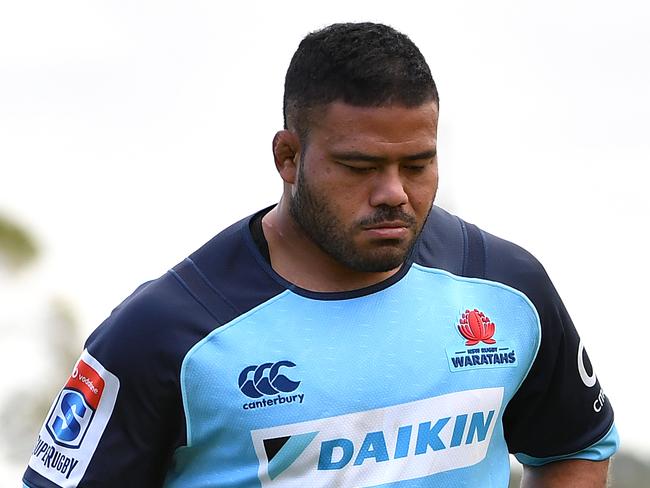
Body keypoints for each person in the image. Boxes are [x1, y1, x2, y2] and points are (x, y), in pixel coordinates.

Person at [23, 22, 618, 488]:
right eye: (359, 167)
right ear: (288, 157)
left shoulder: (506, 288)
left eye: (417, 164)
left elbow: (576, 446)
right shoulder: (164, 334)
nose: (395, 193)